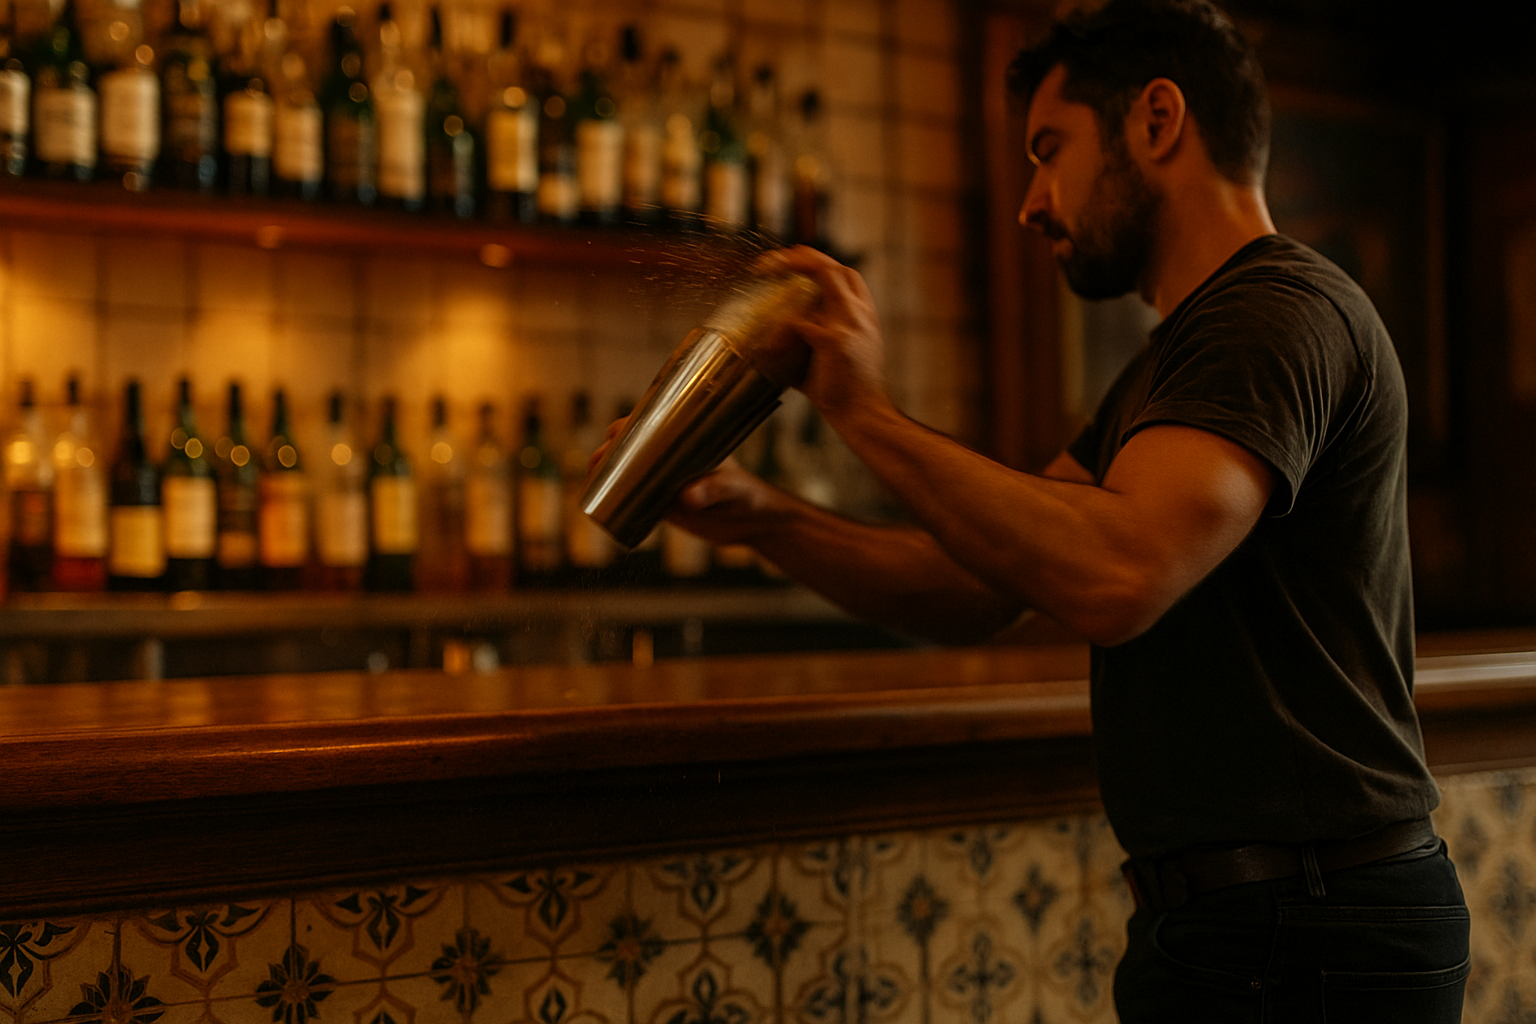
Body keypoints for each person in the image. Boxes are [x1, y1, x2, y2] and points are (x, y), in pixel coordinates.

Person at [600, 0, 1469, 1018]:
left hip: (1310, 927)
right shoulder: (1173, 363)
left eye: (1048, 150)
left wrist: (861, 409)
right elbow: (974, 587)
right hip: (1251, 922)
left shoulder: (1275, 315)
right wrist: (757, 514)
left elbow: (1119, 575)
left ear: (1157, 120)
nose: (1030, 202)